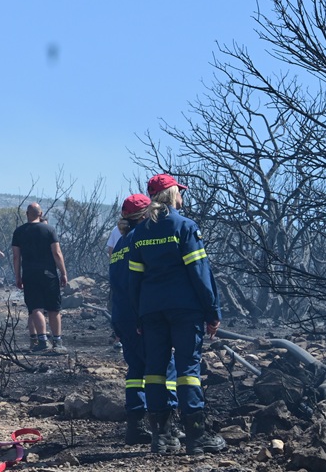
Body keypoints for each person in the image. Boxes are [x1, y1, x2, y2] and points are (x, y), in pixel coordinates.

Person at [128, 173, 226, 457]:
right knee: (188, 372)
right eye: (179, 192)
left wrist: (138, 315)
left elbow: (134, 281)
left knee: (155, 372)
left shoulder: (139, 233)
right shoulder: (185, 226)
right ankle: (196, 436)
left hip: (151, 311)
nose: (182, 197)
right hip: (185, 310)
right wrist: (212, 311)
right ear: (171, 195)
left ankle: (162, 437)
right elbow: (200, 273)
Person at [109, 194, 178, 445]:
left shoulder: (120, 244)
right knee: (162, 367)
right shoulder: (141, 241)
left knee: (136, 370)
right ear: (145, 214)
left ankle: (135, 426)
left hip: (122, 316)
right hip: (141, 316)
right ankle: (168, 427)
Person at [11, 202, 69, 352]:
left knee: (35, 307)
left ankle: (42, 340)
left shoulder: (19, 232)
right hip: (48, 273)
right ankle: (57, 341)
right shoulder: (49, 229)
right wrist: (63, 272)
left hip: (29, 274)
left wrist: (18, 276)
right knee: (54, 308)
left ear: (27, 214)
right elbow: (57, 253)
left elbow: (16, 257)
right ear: (41, 214)